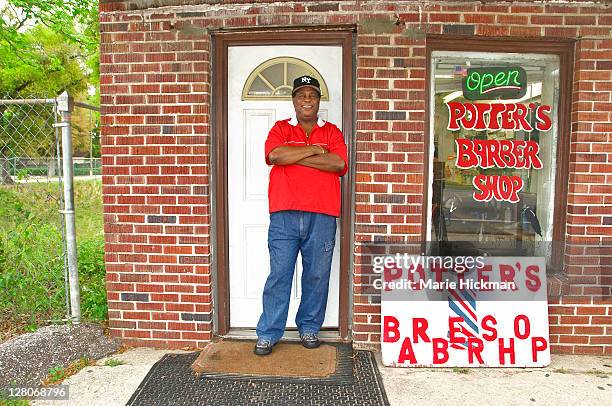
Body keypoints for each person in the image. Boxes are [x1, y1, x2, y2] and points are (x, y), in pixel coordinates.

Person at [254, 75, 348, 356]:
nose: (307, 100)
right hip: (284, 215)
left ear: (319, 100)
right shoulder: (281, 128)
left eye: (312, 95)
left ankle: (309, 327)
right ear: (294, 100)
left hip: (322, 215)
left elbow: (339, 163)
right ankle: (269, 332)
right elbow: (274, 156)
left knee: (317, 275)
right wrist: (313, 151)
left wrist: (295, 155)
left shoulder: (332, 132)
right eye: (301, 95)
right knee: (279, 275)